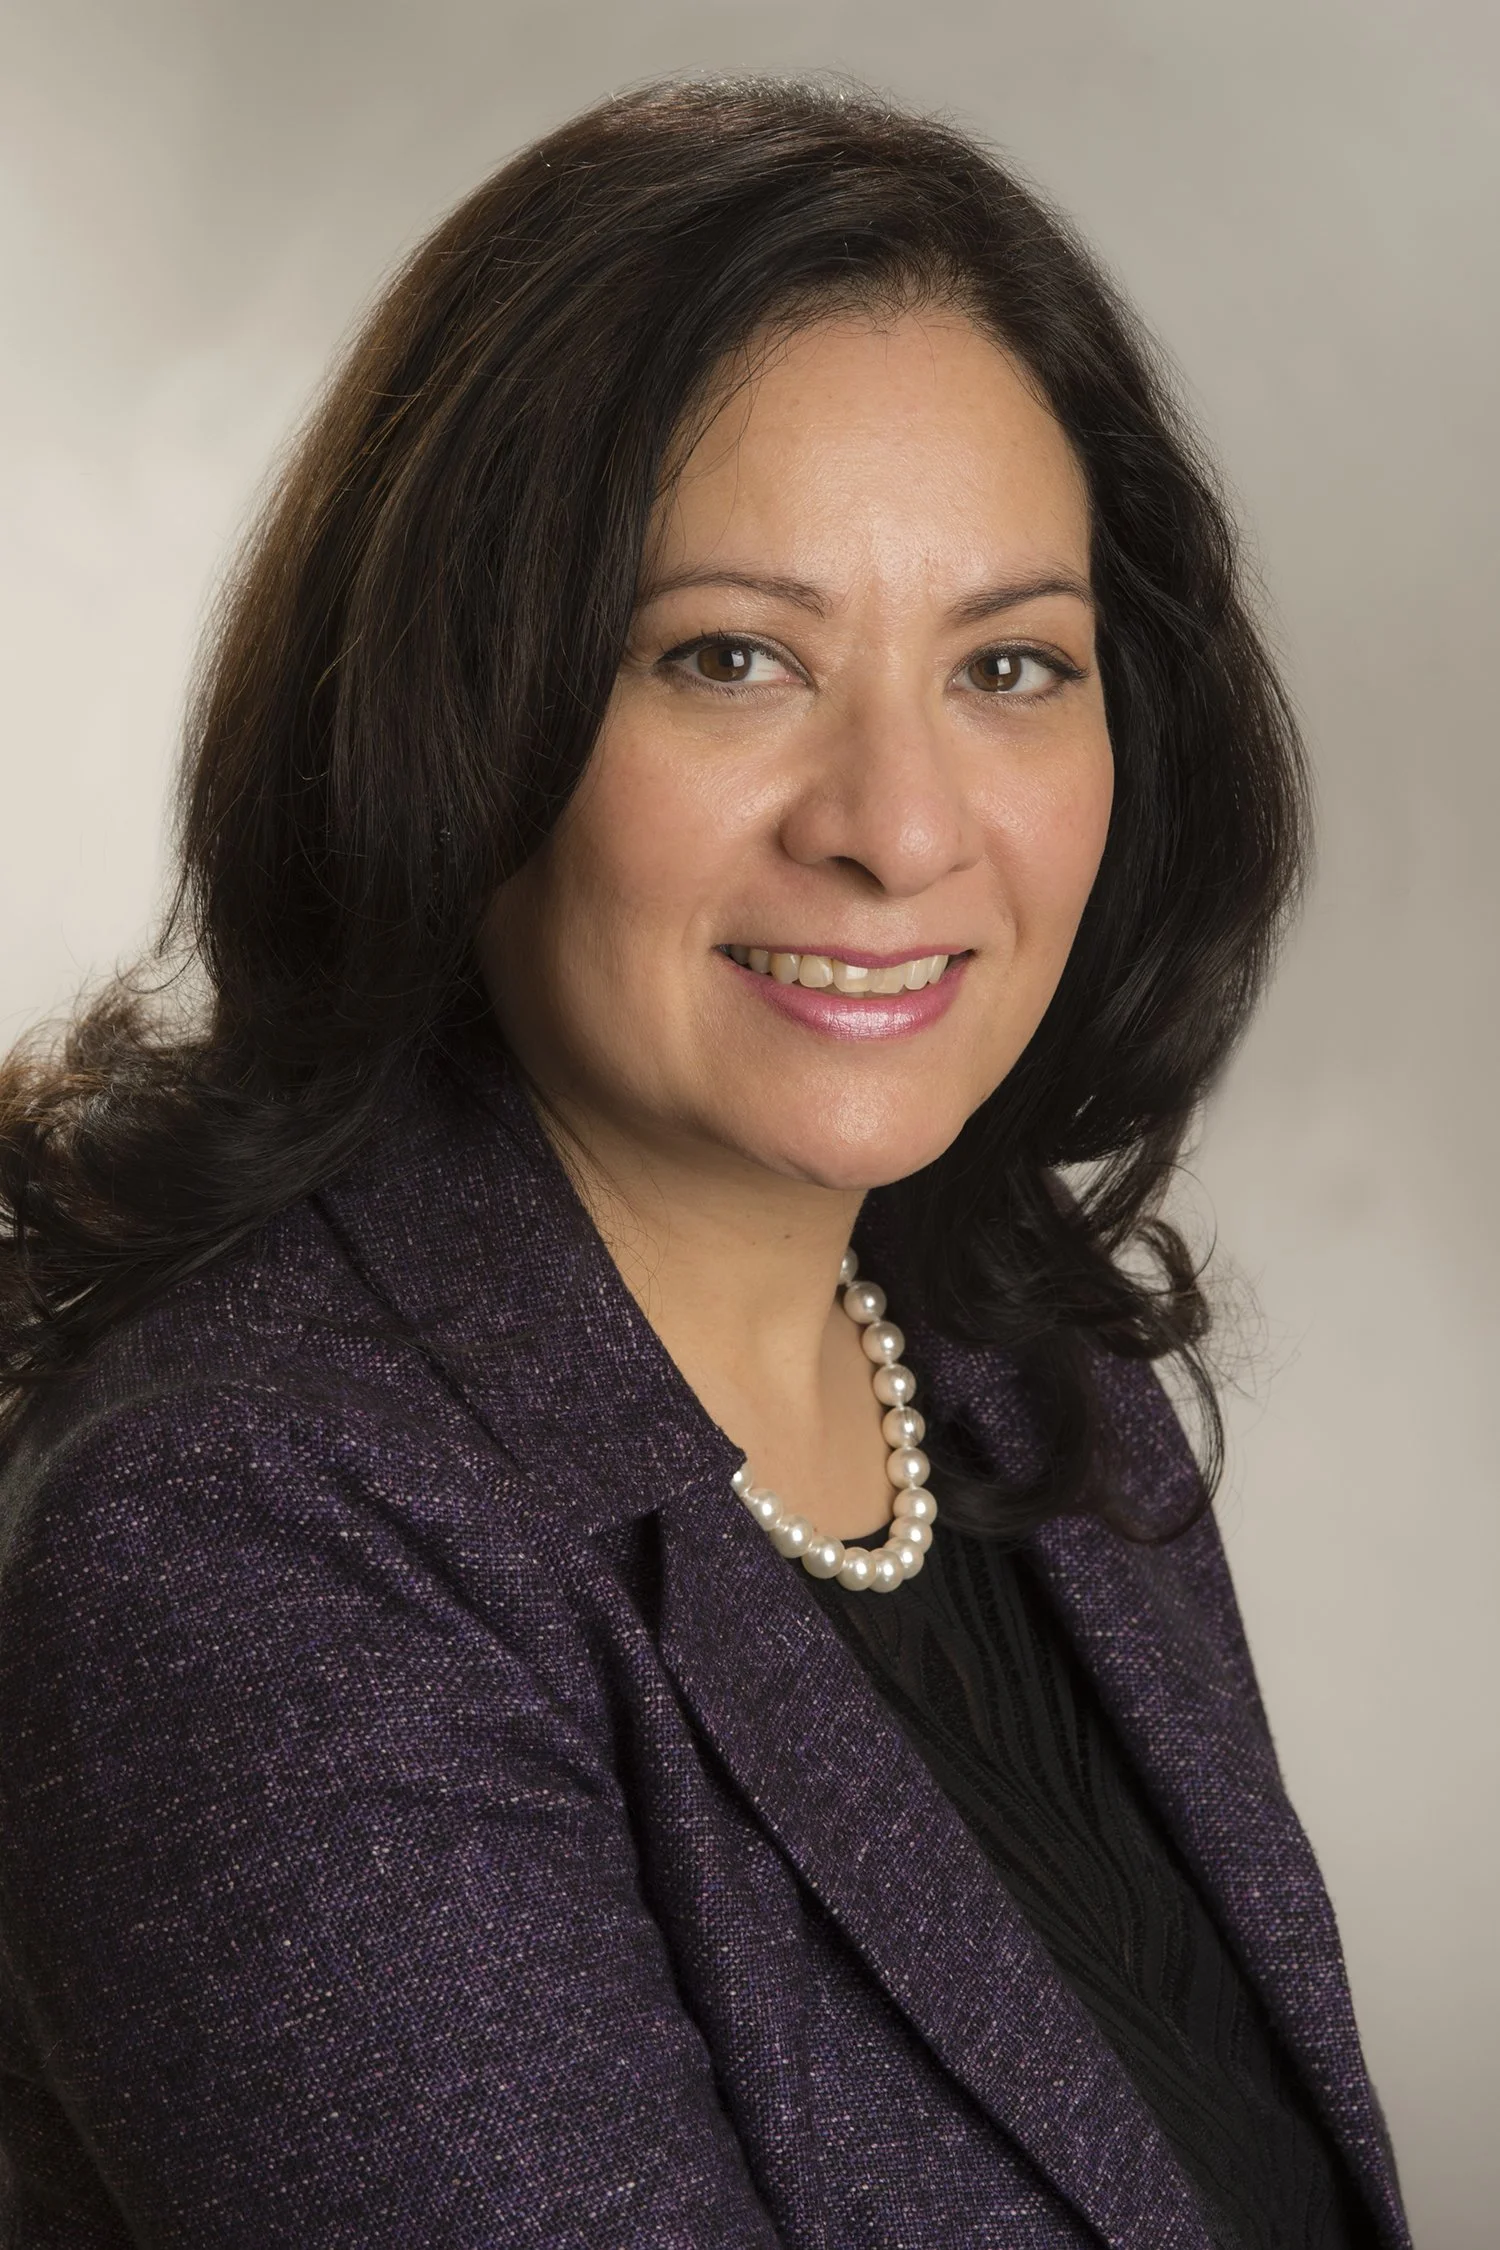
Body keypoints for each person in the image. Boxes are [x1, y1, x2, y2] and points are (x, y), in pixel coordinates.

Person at [0, 76, 1409, 2250]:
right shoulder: (244, 1547)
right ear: (455, 708)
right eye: (731, 659)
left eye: (1010, 666)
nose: (899, 822)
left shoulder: (1020, 1376)